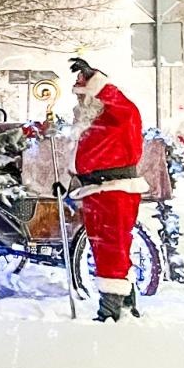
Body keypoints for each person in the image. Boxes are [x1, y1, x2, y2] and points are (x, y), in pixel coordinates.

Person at [67, 58, 148, 323]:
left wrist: (94, 79)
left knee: (112, 248)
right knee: (105, 249)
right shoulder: (93, 123)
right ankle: (125, 304)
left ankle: (111, 311)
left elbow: (119, 103)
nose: (80, 104)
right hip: (96, 191)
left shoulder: (121, 113)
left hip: (114, 191)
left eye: (84, 96)